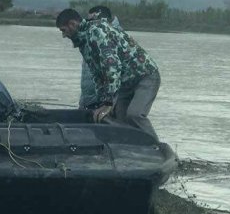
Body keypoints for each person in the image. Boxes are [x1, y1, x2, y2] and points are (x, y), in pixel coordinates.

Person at [56, 8, 160, 139]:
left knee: (134, 115)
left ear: (72, 24)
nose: (64, 35)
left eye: (63, 30)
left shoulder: (97, 32)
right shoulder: (83, 41)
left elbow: (111, 66)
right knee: (119, 120)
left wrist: (108, 103)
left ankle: (157, 148)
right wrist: (101, 104)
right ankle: (129, 149)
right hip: (125, 83)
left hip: (145, 76)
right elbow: (97, 75)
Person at [79, 5, 121, 110]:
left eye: (90, 20)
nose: (88, 23)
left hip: (105, 103)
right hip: (87, 101)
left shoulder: (114, 37)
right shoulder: (89, 36)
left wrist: (107, 102)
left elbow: (113, 72)